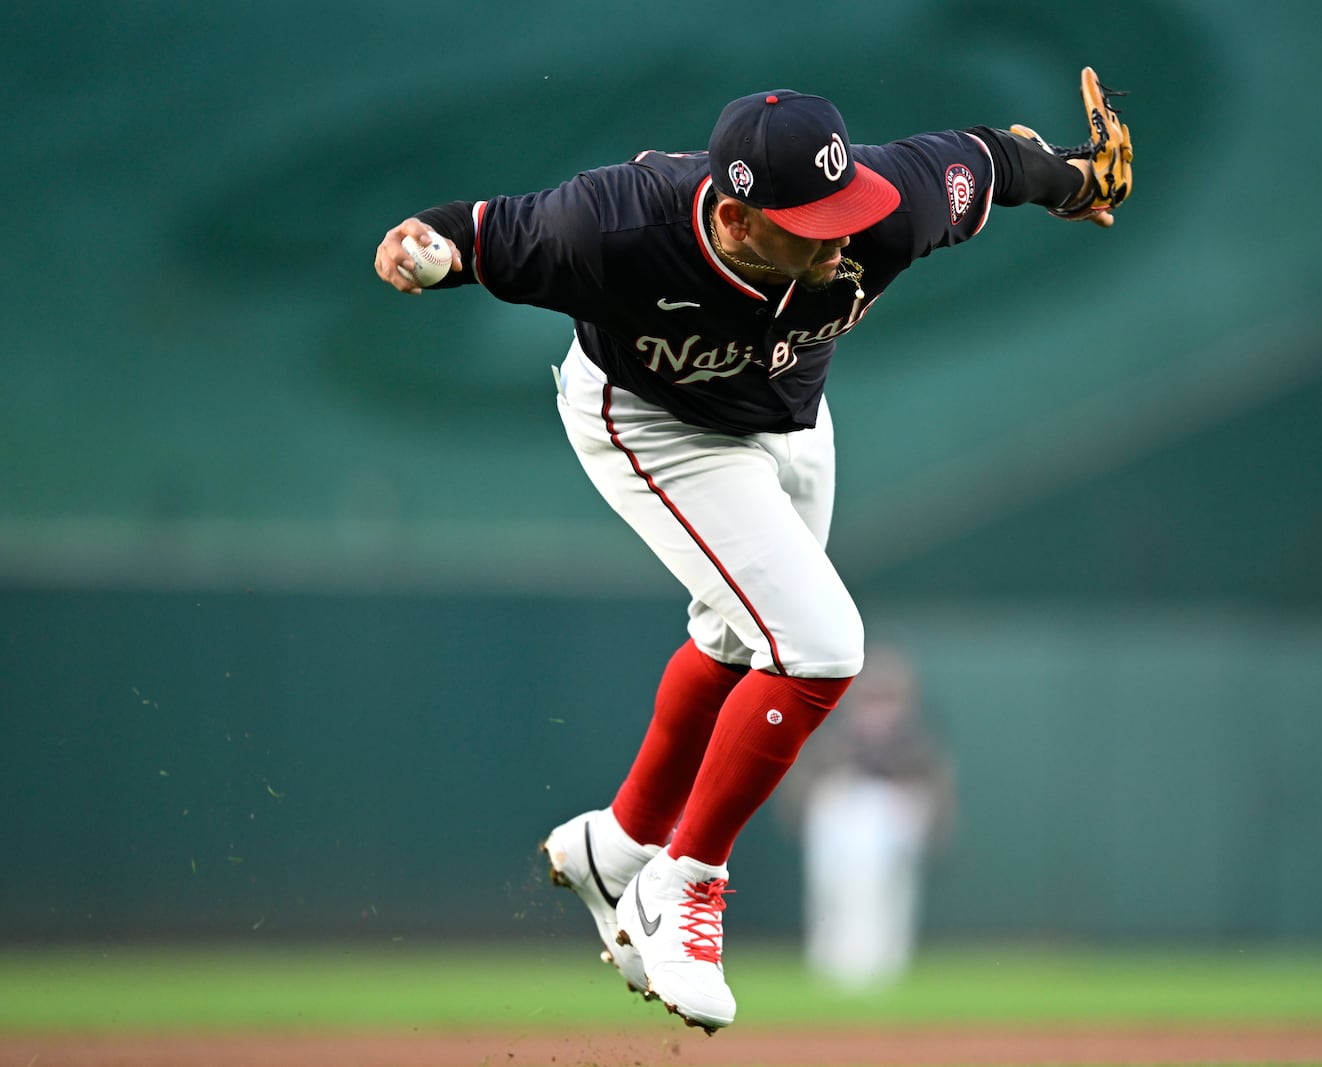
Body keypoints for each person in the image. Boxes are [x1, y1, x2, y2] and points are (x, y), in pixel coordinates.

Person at [373, 74, 1133, 1033]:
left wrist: (1073, 182)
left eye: (842, 202)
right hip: (651, 423)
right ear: (734, 215)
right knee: (821, 644)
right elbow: (473, 236)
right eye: (810, 219)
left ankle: (620, 845)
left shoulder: (888, 206)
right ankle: (680, 885)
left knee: (744, 639)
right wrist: (425, 251)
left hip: (786, 417)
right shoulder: (609, 229)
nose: (840, 232)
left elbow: (992, 159)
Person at [780, 643, 953, 990]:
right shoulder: (834, 735)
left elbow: (935, 790)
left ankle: (883, 967)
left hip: (889, 820)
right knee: (833, 891)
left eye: (887, 698)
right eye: (874, 698)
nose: (880, 708)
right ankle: (831, 965)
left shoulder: (915, 742)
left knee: (885, 893)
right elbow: (803, 783)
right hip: (839, 820)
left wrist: (931, 822)